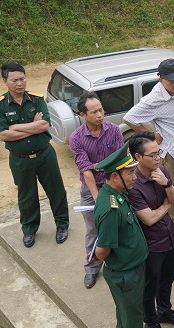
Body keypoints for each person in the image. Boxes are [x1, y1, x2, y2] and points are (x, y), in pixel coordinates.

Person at [92, 144, 168, 328]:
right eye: (129, 173)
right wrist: (95, 259)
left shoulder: (118, 194)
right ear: (115, 177)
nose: (134, 176)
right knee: (134, 319)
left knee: (123, 310)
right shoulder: (110, 208)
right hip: (125, 273)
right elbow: (103, 249)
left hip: (133, 267)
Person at [0, 62, 69, 248]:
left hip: (44, 155)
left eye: (22, 78)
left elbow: (44, 125)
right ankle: (29, 230)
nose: (20, 83)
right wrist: (33, 128)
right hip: (19, 160)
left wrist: (16, 127)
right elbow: (2, 135)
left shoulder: (36, 99)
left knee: (56, 190)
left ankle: (62, 225)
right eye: (14, 80)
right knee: (27, 197)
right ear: (5, 81)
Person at [128, 133, 174, 328]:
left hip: (170, 238)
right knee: (149, 286)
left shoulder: (162, 171)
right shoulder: (134, 184)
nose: (158, 158)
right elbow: (150, 218)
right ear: (138, 156)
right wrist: (165, 206)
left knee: (167, 280)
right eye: (152, 155)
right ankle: (151, 322)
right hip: (152, 245)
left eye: (159, 153)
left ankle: (165, 310)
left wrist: (166, 184)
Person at [123, 58, 174, 241]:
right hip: (172, 151)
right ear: (161, 80)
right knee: (169, 187)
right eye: (172, 81)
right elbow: (129, 118)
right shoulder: (153, 99)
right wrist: (150, 134)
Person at [68, 92, 122, 287]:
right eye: (94, 112)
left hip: (116, 185)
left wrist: (97, 165)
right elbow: (85, 169)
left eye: (101, 110)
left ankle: (119, 263)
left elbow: (119, 161)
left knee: (120, 224)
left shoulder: (114, 130)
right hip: (92, 189)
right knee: (93, 229)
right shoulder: (76, 138)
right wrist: (97, 197)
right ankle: (92, 267)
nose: (100, 115)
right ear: (83, 115)